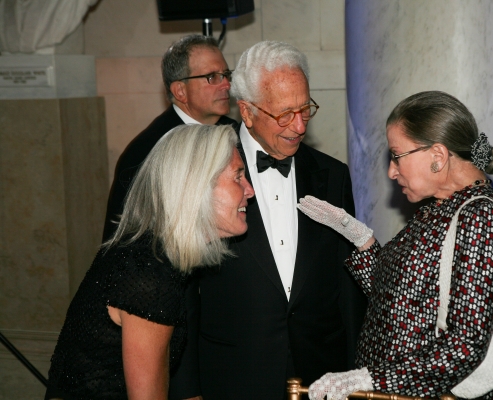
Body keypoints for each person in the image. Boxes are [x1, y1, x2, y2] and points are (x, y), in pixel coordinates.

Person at [174, 41, 367, 400]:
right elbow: (184, 290)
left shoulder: (333, 175)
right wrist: (187, 389)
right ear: (246, 112)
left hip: (320, 377)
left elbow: (347, 283)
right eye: (284, 114)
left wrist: (357, 374)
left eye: (305, 109)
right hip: (233, 376)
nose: (298, 126)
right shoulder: (205, 172)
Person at [298, 91, 493, 400]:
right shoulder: (440, 207)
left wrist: (372, 379)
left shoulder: (479, 218)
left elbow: (464, 347)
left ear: (437, 157)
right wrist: (360, 238)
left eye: (396, 156)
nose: (391, 171)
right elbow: (400, 301)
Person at [45, 124, 254, 400]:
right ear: (196, 187)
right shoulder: (150, 272)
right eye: (238, 176)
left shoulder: (149, 251)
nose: (249, 190)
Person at [102, 34, 236, 242]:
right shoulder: (147, 151)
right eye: (212, 77)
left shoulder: (237, 133)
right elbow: (128, 240)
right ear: (180, 91)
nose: (226, 84)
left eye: (226, 74)